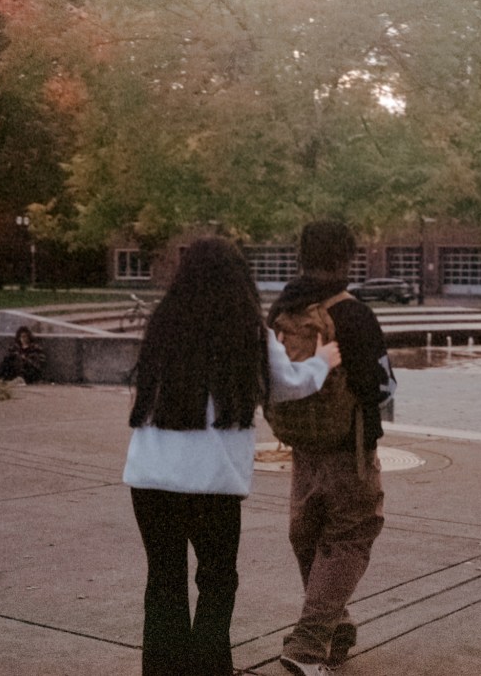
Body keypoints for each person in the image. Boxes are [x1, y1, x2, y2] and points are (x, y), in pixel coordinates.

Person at [122, 237, 341, 676]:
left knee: (163, 581)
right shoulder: (246, 331)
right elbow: (287, 384)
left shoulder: (164, 324)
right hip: (213, 482)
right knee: (217, 581)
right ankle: (209, 668)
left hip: (151, 478)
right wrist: (322, 362)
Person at [267, 221, 396, 676]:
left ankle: (334, 626)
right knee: (351, 536)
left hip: (301, 446)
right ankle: (307, 645)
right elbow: (382, 386)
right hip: (349, 448)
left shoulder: (284, 310)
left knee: (310, 535)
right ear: (347, 258)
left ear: (301, 257)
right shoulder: (354, 314)